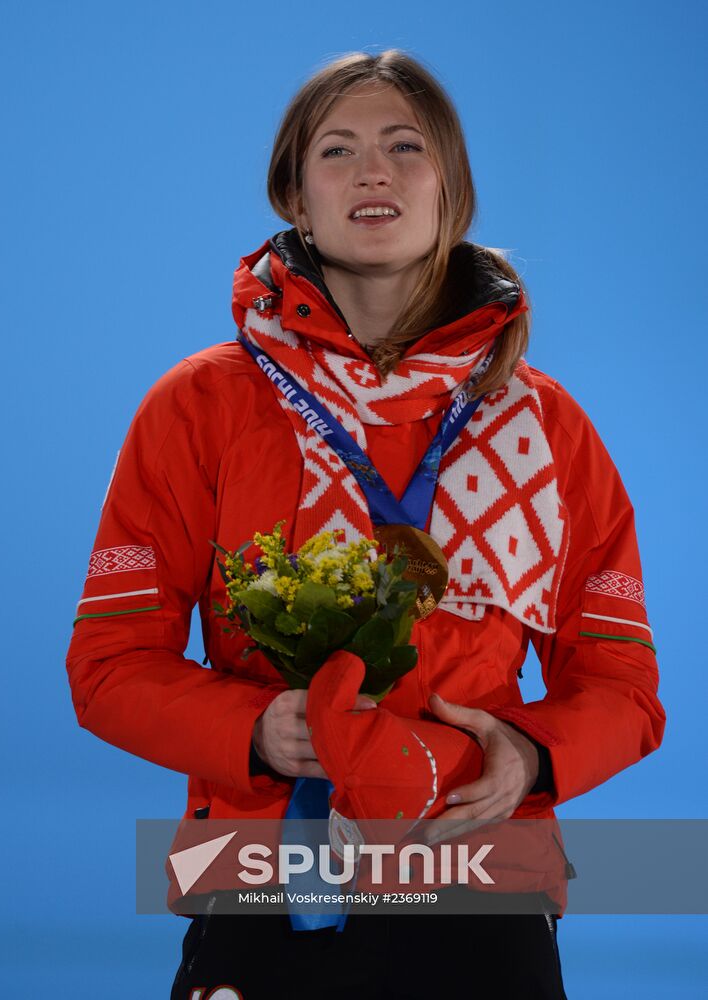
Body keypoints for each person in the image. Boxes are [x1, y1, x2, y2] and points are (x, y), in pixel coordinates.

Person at [65, 50, 666, 999]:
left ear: (451, 192)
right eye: (337, 150)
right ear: (297, 198)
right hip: (264, 876)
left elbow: (625, 682)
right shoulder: (199, 406)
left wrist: (534, 755)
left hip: (484, 878)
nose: (373, 170)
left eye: (405, 146)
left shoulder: (545, 422)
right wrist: (257, 730)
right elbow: (107, 667)